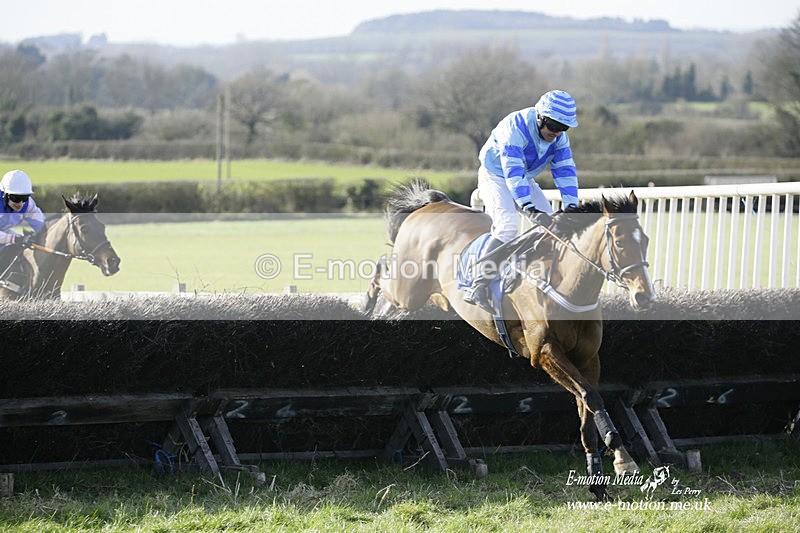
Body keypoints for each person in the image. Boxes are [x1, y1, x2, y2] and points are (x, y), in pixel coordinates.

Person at [464, 90, 580, 311]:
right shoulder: (515, 126)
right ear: (539, 117)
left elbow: (565, 171)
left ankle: (527, 274)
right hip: (495, 175)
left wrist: (571, 207)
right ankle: (478, 282)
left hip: (524, 177)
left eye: (562, 128)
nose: (556, 132)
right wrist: (528, 207)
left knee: (553, 228)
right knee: (508, 225)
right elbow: (512, 171)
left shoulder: (560, 139)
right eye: (552, 126)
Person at [0, 169, 46, 275]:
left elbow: (43, 226)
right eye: (15, 198)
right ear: (5, 194)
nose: (20, 203)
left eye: (24, 197)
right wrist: (14, 239)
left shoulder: (28, 204)